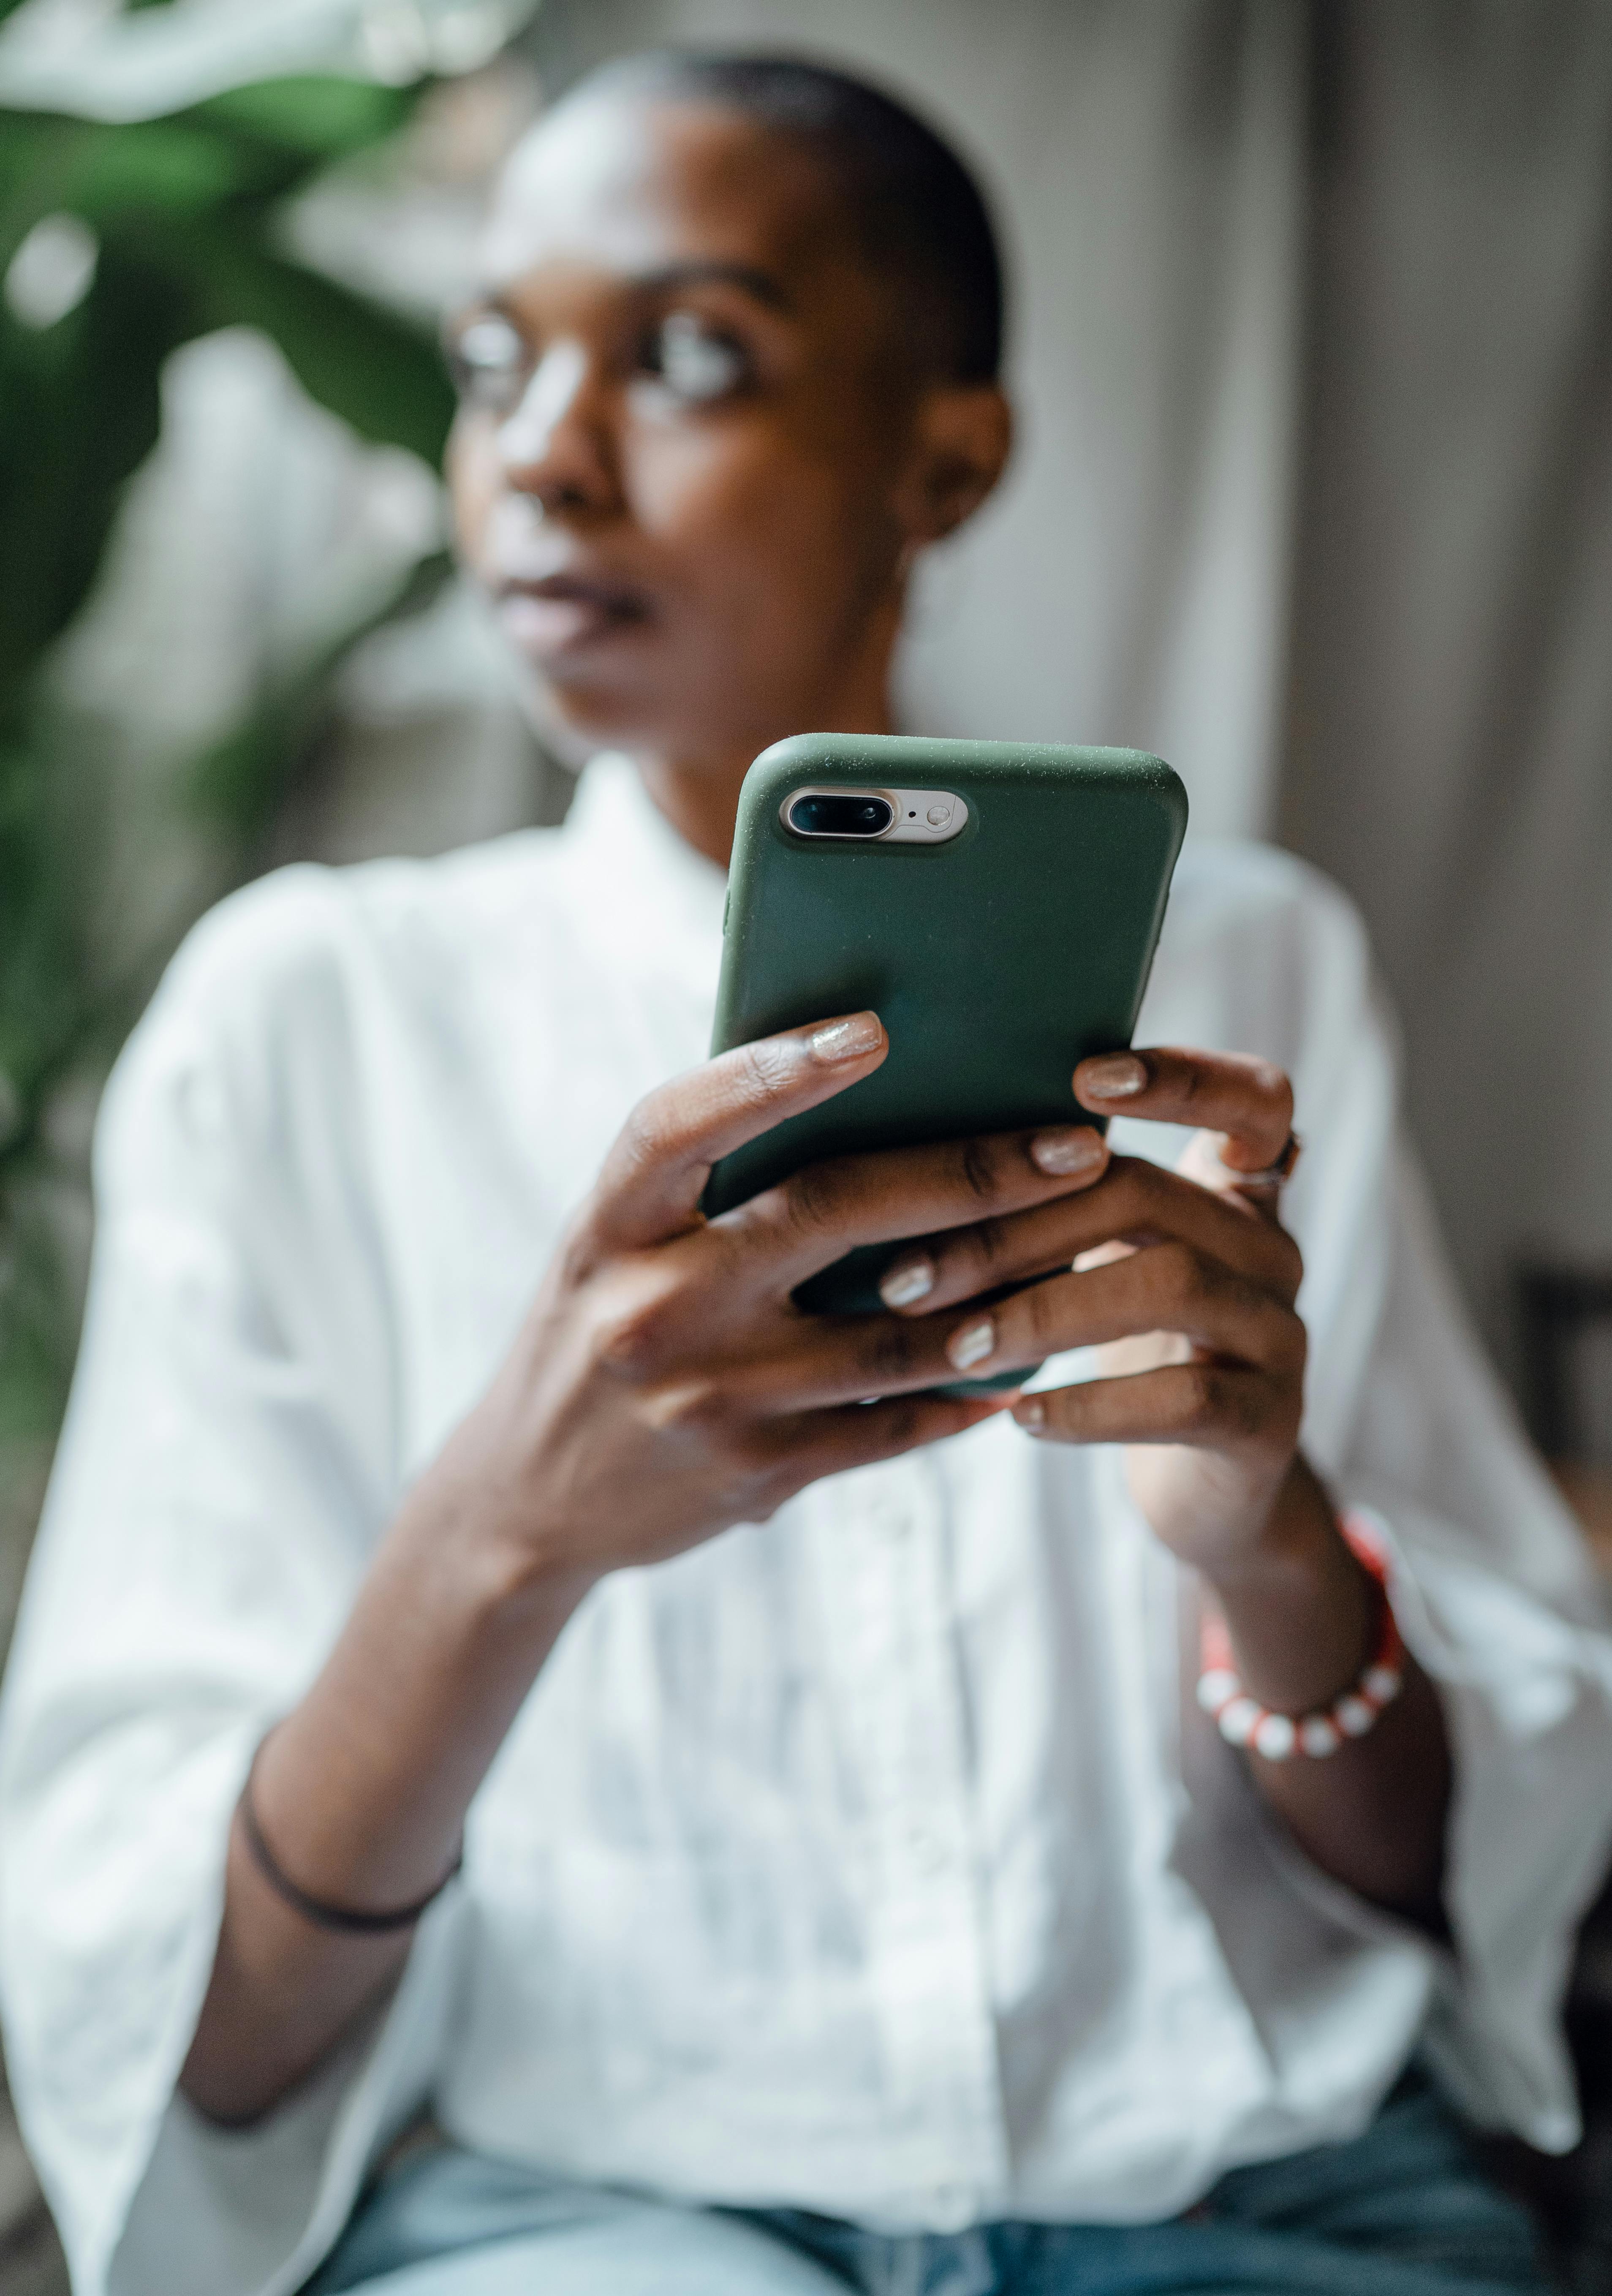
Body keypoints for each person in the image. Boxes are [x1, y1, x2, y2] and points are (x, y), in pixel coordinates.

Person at [2, 48, 1609, 2296]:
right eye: (494, 364)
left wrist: (1267, 1545)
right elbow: (180, 2043)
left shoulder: (1247, 974)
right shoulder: (304, 1026)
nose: (541, 455)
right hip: (598, 2217)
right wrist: (504, 1536)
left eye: (688, 357)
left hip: (1257, 2198)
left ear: (946, 460)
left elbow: (1461, 1875)